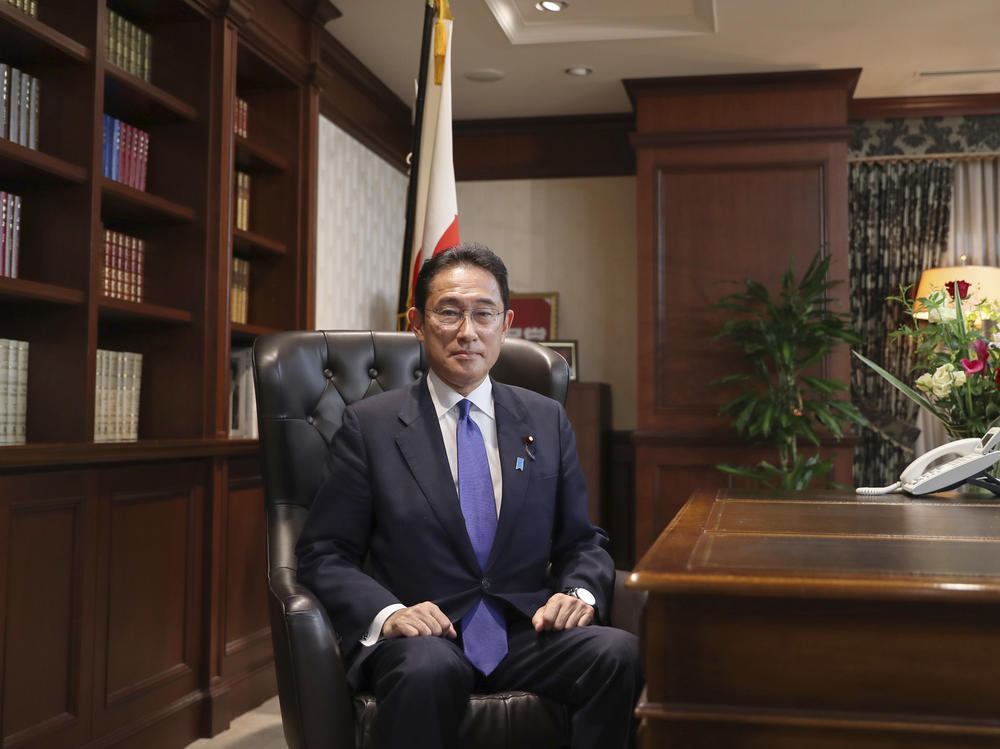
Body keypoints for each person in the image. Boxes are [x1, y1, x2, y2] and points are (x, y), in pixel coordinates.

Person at [296, 243, 642, 749]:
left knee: (618, 654)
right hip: (425, 635)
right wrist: (390, 614)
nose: (467, 331)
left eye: (484, 314)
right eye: (449, 312)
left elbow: (581, 542)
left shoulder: (545, 420)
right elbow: (324, 553)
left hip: (526, 629)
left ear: (506, 324)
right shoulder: (368, 426)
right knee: (427, 669)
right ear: (417, 322)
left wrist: (580, 594)